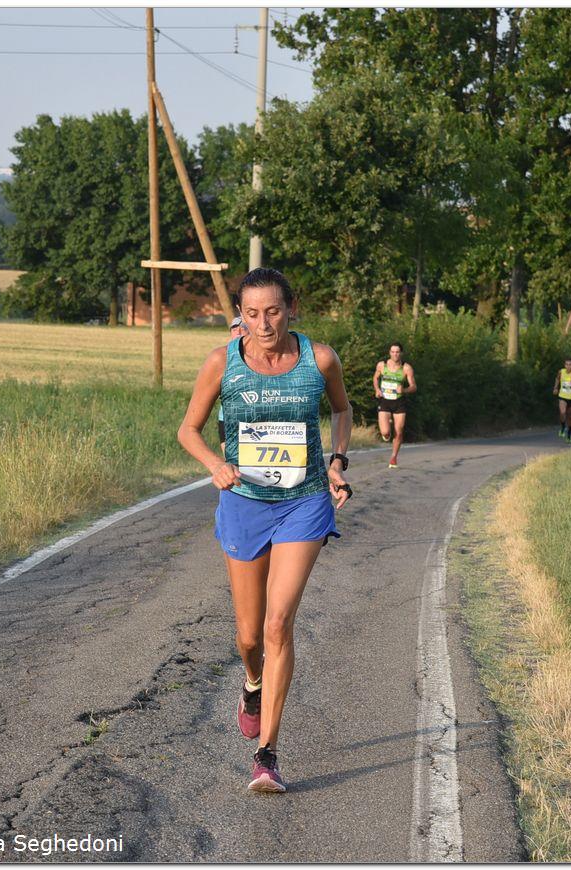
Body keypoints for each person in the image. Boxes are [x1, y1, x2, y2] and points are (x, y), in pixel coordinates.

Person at [177, 267, 353, 794]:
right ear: (241, 314)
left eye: (273, 311)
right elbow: (188, 429)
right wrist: (215, 464)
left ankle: (267, 754)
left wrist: (338, 462)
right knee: (250, 635)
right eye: (252, 314)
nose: (264, 323)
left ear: (291, 308)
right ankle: (252, 682)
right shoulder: (222, 362)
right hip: (245, 503)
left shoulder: (320, 359)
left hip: (304, 502)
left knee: (278, 625)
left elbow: (342, 410)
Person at [373, 343, 416, 468]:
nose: (395, 354)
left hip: (399, 402)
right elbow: (375, 378)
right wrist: (377, 389)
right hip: (385, 401)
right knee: (385, 432)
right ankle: (388, 428)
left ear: (401, 353)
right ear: (389, 352)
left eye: (397, 352)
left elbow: (413, 386)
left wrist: (404, 390)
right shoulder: (382, 365)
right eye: (392, 352)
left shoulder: (406, 368)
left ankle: (393, 457)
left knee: (399, 431)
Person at [218, 315, 249, 454]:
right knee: (229, 459)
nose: (238, 331)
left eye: (243, 328)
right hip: (227, 417)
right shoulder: (222, 357)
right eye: (235, 329)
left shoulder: (261, 356)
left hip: (254, 419)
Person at [554, 358, 571, 442]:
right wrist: (555, 387)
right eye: (566, 364)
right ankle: (563, 427)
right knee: (562, 412)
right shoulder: (561, 372)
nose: (568, 366)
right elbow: (557, 379)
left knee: (570, 417)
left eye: (570, 364)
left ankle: (569, 435)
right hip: (562, 396)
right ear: (564, 365)